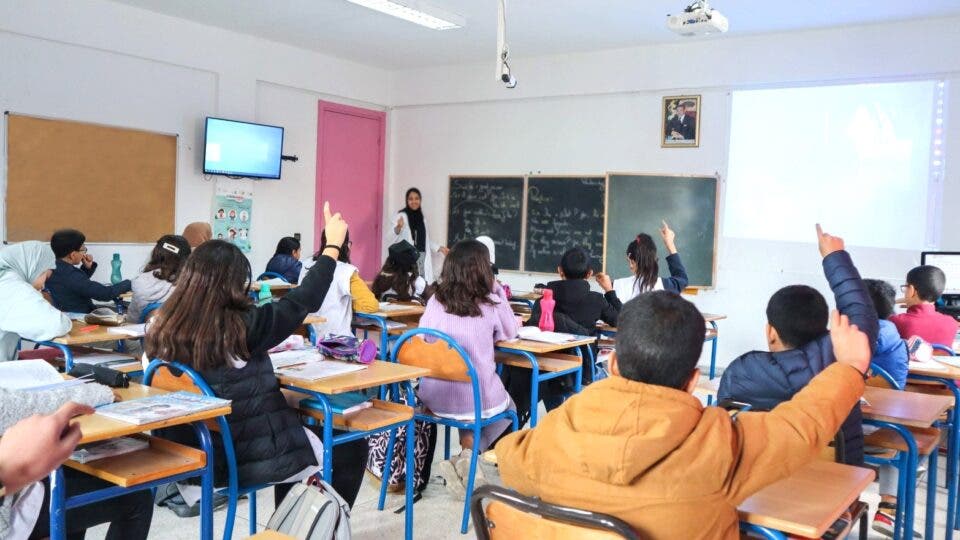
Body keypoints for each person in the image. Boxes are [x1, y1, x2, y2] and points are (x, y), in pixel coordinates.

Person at [496, 292, 870, 539]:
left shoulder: (557, 428)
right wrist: (851, 368)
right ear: (693, 380)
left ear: (611, 364)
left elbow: (509, 461)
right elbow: (798, 426)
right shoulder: (721, 443)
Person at [146, 203, 368, 510]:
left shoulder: (160, 326)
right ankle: (304, 527)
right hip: (236, 458)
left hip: (186, 456)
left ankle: (287, 525)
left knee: (293, 418)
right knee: (350, 445)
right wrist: (332, 246)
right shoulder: (241, 327)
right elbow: (304, 299)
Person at [719, 225, 877, 468]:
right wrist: (834, 256)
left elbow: (725, 428)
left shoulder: (739, 372)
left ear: (770, 332)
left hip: (759, 492)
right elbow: (860, 311)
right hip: (836, 491)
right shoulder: (841, 366)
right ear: (826, 330)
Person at [416, 239, 518, 497]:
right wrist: (496, 289)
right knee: (508, 408)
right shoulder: (488, 304)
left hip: (433, 399)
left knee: (468, 406)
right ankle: (470, 456)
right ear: (484, 269)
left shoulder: (434, 302)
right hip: (474, 399)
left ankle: (467, 457)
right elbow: (510, 331)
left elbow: (422, 339)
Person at [0, 388, 151, 539]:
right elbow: (21, 405)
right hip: (9, 518)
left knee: (75, 475)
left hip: (10, 496)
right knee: (137, 498)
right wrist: (99, 393)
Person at [862, 278, 910, 535]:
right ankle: (889, 507)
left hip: (845, 432)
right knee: (903, 435)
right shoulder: (894, 335)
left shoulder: (856, 339)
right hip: (887, 431)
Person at [0, 242, 72, 361]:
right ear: (34, 267)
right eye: (45, 275)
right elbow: (56, 325)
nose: (43, 284)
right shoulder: (13, 287)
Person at [301, 230, 378, 338]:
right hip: (337, 341)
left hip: (308, 336)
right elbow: (370, 305)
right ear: (346, 246)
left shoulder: (306, 265)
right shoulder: (347, 271)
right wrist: (349, 302)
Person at [597, 220, 688, 305]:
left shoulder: (615, 286)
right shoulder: (666, 286)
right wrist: (670, 244)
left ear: (631, 261)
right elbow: (682, 279)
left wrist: (608, 290)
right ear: (655, 259)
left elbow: (611, 317)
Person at [46, 229, 132, 314]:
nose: (84, 253)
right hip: (82, 318)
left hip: (68, 314)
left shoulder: (53, 269)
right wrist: (130, 283)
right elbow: (105, 294)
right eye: (83, 249)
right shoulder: (71, 275)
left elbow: (76, 287)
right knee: (125, 311)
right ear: (72, 255)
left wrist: (87, 268)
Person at [126, 235, 191, 324]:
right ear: (186, 258)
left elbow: (132, 321)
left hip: (147, 334)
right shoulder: (190, 282)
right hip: (182, 335)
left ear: (156, 253)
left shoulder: (139, 281)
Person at [389, 187, 448, 283]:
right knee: (410, 283)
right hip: (409, 256)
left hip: (421, 256)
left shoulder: (422, 218)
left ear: (420, 200)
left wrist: (439, 248)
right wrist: (398, 227)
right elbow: (392, 236)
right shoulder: (402, 215)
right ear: (407, 201)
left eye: (416, 198)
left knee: (421, 283)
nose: (414, 201)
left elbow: (424, 240)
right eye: (411, 199)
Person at [890, 265, 959, 346]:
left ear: (911, 290)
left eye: (906, 287)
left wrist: (892, 302)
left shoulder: (896, 321)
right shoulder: (951, 323)